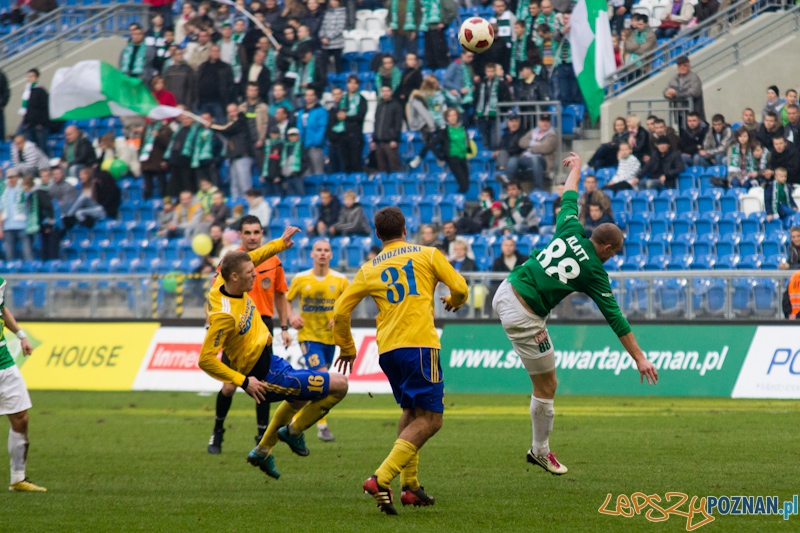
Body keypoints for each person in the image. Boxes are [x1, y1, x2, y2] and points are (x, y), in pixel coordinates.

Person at [492, 152, 658, 476]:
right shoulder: (595, 270)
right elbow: (616, 318)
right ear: (607, 249)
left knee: (545, 382)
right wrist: (639, 357)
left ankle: (540, 448)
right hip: (523, 315)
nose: (612, 258)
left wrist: (577, 169)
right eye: (615, 253)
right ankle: (540, 450)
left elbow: (569, 195)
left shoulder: (570, 227)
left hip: (506, 288)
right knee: (548, 386)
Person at [333, 206, 469, 514]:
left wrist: (347, 348)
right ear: (405, 229)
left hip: (388, 351)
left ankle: (411, 487)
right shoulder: (428, 254)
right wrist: (453, 301)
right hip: (420, 345)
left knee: (411, 411)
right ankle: (380, 478)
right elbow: (460, 287)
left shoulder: (369, 268)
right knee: (432, 419)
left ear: (378, 235)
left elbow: (341, 311)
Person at [200, 227, 348, 479]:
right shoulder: (223, 315)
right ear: (234, 277)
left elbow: (253, 258)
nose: (255, 276)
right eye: (249, 274)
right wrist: (243, 382)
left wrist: (279, 244)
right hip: (265, 376)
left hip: (273, 361)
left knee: (300, 397)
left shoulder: (223, 282)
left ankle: (262, 450)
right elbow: (205, 359)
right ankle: (293, 433)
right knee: (340, 385)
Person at [207, 215, 291, 454]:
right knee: (228, 387)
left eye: (257, 232)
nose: (253, 237)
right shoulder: (231, 261)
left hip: (263, 325)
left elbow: (280, 295)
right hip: (236, 327)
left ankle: (261, 435)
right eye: (248, 233)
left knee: (263, 385)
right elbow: (215, 293)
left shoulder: (274, 261)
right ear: (240, 235)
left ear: (262, 234)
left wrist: (284, 328)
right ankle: (217, 431)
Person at [287, 239, 349, 441]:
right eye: (318, 250)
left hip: (330, 340)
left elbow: (348, 304)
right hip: (308, 337)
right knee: (324, 379)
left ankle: (294, 419)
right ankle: (321, 426)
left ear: (331, 255)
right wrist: (291, 317)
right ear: (312, 254)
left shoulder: (340, 280)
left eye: (326, 250)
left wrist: (339, 318)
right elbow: (286, 300)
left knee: (315, 385)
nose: (322, 253)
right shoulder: (300, 278)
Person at [0, 282, 45, 492]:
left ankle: (18, 478)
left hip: (4, 362)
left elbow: (1, 308)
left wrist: (21, 335)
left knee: (21, 418)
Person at [211, 104, 255, 199]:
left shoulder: (241, 121)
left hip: (242, 156)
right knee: (234, 184)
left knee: (244, 184)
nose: (231, 114)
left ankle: (248, 205)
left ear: (238, 111)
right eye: (229, 112)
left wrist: (211, 125)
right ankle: (237, 207)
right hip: (233, 157)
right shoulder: (231, 122)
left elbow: (225, 129)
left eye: (233, 111)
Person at [434, 108, 473, 194]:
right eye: (450, 116)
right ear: (447, 118)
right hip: (453, 157)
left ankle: (461, 201)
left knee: (466, 183)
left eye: (454, 115)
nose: (453, 118)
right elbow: (432, 143)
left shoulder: (462, 127)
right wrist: (440, 155)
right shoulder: (444, 130)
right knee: (462, 183)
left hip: (463, 156)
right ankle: (457, 201)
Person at [21, 175, 59, 261]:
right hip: (39, 225)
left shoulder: (38, 194)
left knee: (49, 249)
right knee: (43, 248)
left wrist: (49, 225)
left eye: (23, 185)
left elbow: (49, 208)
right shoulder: (29, 195)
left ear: (27, 185)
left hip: (47, 226)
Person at [474, 63, 510, 150]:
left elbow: (506, 97)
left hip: (495, 115)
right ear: (485, 72)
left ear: (494, 72)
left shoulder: (501, 84)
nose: (490, 73)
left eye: (492, 71)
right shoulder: (481, 84)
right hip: (483, 115)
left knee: (495, 139)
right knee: (485, 140)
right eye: (488, 71)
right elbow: (476, 99)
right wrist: (476, 112)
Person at [517, 114, 557, 191]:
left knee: (535, 159)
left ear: (550, 123)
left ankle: (538, 189)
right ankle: (509, 184)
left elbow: (546, 148)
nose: (545, 123)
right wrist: (535, 143)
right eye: (543, 121)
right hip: (528, 158)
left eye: (547, 121)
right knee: (514, 160)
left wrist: (530, 148)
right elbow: (521, 142)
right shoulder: (534, 132)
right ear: (539, 122)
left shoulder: (552, 135)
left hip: (544, 161)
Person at [197, 46, 235, 124]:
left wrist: (228, 99)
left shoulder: (225, 67)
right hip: (204, 102)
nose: (215, 53)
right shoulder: (203, 66)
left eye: (217, 51)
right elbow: (197, 83)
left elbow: (230, 85)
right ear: (209, 52)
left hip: (219, 102)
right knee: (202, 125)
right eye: (213, 51)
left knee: (220, 124)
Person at [0, 169, 33, 262]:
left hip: (22, 226)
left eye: (13, 177)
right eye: (9, 177)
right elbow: (1, 211)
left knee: (27, 252)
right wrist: (0, 227)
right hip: (8, 226)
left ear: (17, 177)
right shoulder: (4, 193)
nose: (11, 179)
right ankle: (11, 274)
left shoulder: (24, 190)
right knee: (9, 254)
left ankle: (31, 274)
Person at [295, 88, 328, 176]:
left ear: (315, 97)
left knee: (318, 171)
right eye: (307, 95)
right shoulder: (301, 112)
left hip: (315, 146)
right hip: (302, 146)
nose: (309, 97)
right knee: (306, 172)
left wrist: (316, 142)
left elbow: (322, 128)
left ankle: (320, 189)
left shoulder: (321, 111)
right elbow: (298, 128)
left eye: (311, 95)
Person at [372, 85, 404, 173]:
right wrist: (374, 139)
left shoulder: (396, 105)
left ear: (391, 92)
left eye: (387, 91)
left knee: (395, 167)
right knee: (381, 169)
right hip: (379, 142)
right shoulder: (379, 106)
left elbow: (398, 124)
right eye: (383, 91)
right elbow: (376, 123)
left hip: (390, 142)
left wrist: (394, 139)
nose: (385, 93)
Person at [664, 56, 705, 122]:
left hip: (694, 113)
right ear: (677, 67)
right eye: (680, 65)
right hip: (680, 114)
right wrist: (667, 94)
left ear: (689, 66)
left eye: (685, 65)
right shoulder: (674, 78)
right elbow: (667, 89)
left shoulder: (694, 77)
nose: (682, 67)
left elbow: (694, 92)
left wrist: (676, 93)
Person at [495, 112, 528, 183]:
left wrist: (502, 151)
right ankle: (502, 173)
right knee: (501, 152)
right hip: (505, 157)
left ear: (519, 122)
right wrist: (497, 151)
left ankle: (501, 172)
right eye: (511, 121)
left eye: (516, 121)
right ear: (508, 122)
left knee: (503, 152)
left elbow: (518, 148)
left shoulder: (522, 133)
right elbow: (500, 145)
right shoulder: (506, 133)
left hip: (516, 157)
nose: (514, 123)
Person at [319, 0, 347, 73]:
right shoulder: (328, 12)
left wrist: (328, 37)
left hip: (337, 44)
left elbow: (339, 29)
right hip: (325, 44)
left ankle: (338, 79)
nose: (332, 2)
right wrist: (322, 36)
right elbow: (323, 25)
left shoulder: (342, 13)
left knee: (338, 64)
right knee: (323, 64)